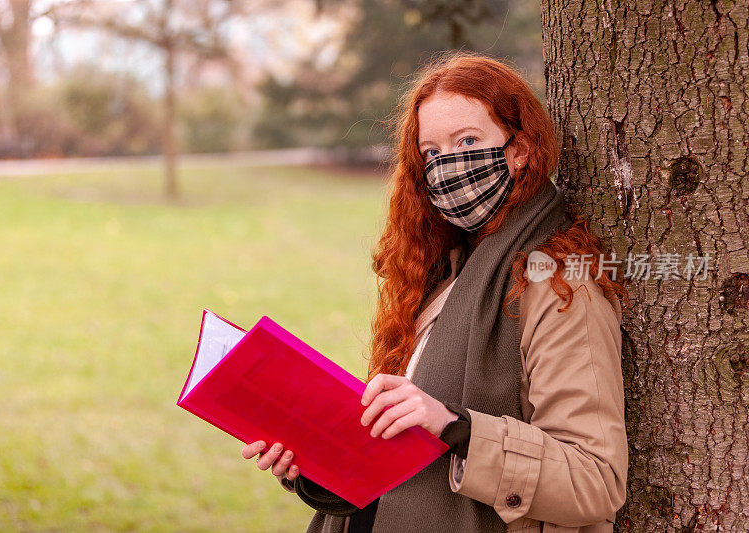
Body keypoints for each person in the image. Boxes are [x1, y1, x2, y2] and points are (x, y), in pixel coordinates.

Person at [241, 50, 630, 533]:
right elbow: (396, 456)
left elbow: (594, 482)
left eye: (468, 141)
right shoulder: (441, 269)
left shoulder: (559, 285)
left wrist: (453, 426)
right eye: (433, 153)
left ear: (520, 149)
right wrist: (316, 459)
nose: (449, 166)